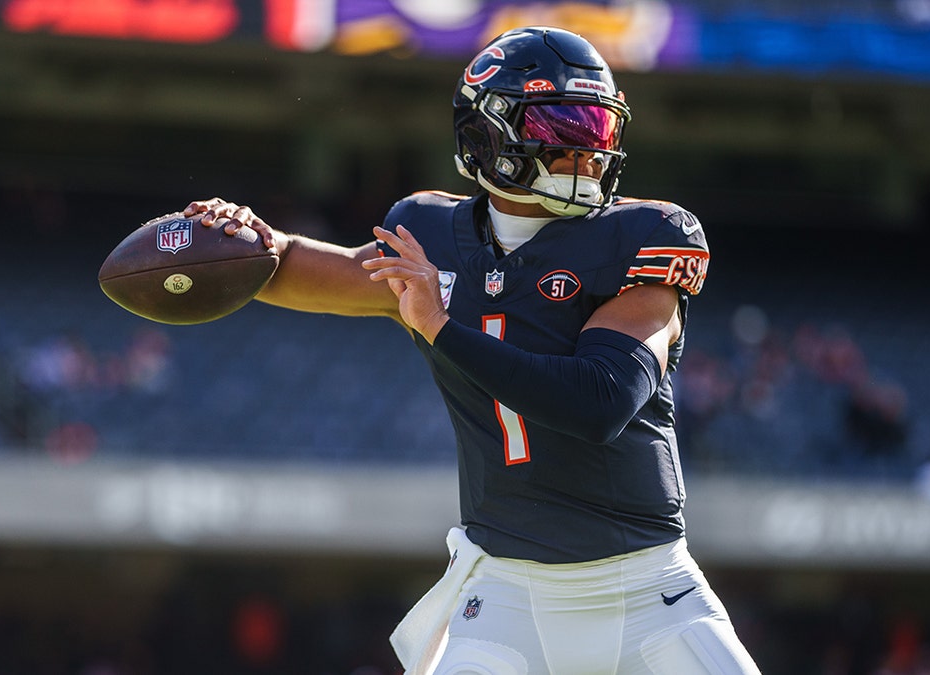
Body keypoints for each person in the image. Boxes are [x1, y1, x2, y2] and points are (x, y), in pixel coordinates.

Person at [180, 26, 760, 674]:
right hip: (504, 594)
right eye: (566, 122)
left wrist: (443, 328)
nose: (588, 147)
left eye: (599, 125)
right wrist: (244, 239)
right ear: (489, 133)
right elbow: (312, 266)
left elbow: (600, 401)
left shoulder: (644, 235)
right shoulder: (428, 235)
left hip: (648, 592)